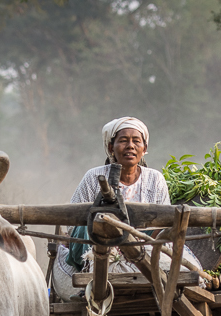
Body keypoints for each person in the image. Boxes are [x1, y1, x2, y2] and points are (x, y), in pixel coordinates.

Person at [51, 116, 202, 301]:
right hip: (97, 249)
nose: (130, 145)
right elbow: (74, 223)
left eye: (136, 141)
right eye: (123, 141)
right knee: (89, 222)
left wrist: (134, 244)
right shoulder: (94, 177)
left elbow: (163, 226)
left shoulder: (155, 179)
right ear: (110, 148)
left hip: (145, 249)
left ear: (144, 149)